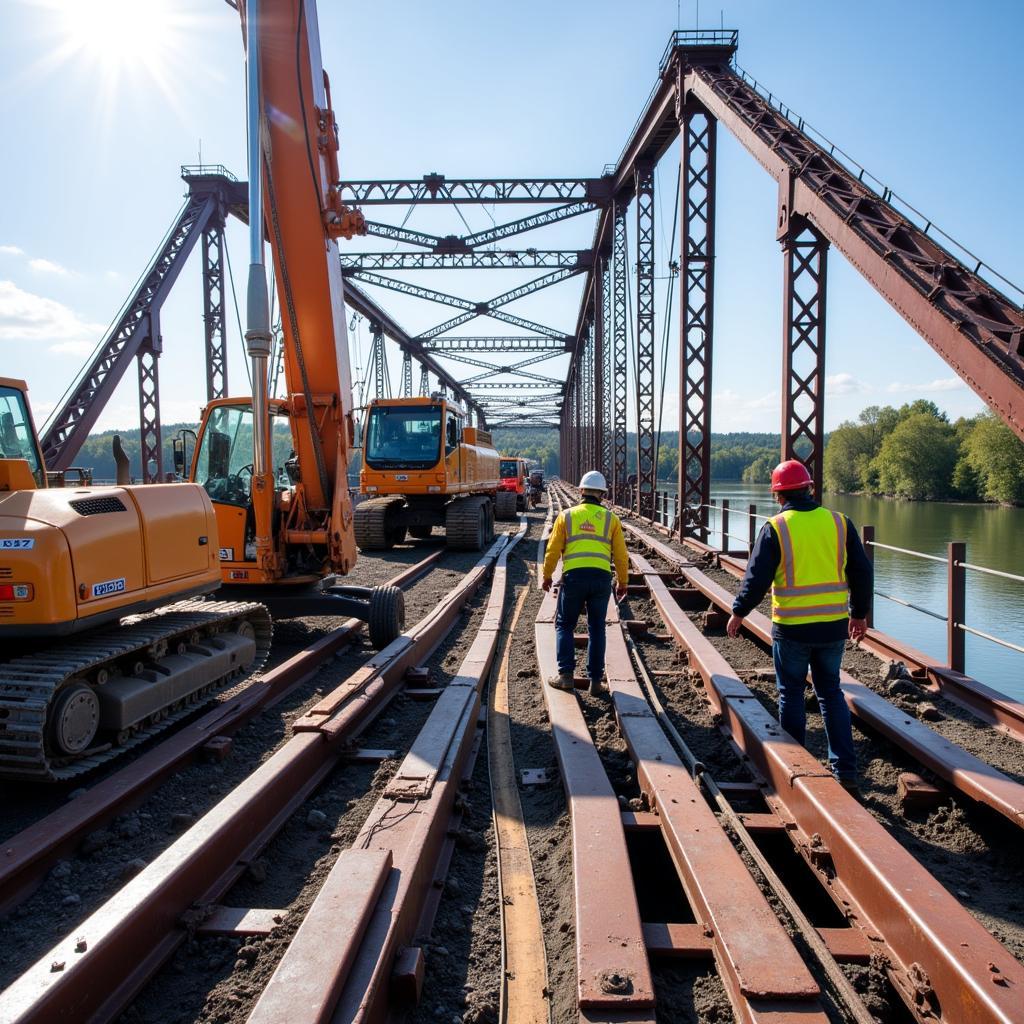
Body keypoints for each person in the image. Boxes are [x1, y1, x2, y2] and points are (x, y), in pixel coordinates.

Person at [726, 459, 873, 792]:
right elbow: (862, 572)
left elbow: (756, 579)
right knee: (831, 694)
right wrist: (859, 614)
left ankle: (797, 769)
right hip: (833, 628)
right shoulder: (840, 523)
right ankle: (845, 770)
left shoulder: (775, 527)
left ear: (778, 496)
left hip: (792, 629)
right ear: (809, 488)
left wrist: (739, 612)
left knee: (790, 694)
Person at [542, 471, 629, 693]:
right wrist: (623, 582)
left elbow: (552, 550)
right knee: (597, 627)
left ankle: (566, 676)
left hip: (574, 578)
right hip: (601, 579)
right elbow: (621, 556)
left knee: (564, 625)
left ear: (581, 491)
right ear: (602, 494)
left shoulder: (567, 516)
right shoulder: (612, 519)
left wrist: (547, 575)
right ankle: (596, 682)